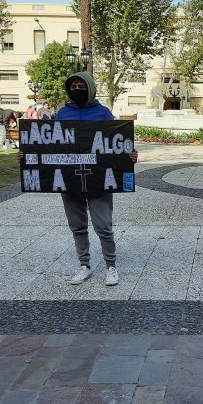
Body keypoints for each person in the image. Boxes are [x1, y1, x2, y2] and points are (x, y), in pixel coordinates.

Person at [56, 71, 138, 286]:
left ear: (90, 87)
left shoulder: (103, 113)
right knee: (77, 225)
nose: (76, 89)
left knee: (103, 225)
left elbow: (115, 142)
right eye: (72, 86)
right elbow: (51, 144)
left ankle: (111, 266)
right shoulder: (63, 113)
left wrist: (129, 154)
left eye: (81, 85)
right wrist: (28, 157)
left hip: (99, 177)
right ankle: (84, 265)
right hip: (70, 177)